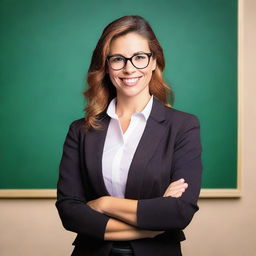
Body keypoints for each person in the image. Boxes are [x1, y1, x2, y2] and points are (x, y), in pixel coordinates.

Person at [56, 15, 202, 256]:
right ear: (105, 65)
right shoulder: (81, 130)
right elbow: (70, 212)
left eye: (139, 57)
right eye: (117, 59)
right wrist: (149, 227)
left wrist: (104, 204)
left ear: (154, 61)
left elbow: (178, 212)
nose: (129, 68)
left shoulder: (183, 126)